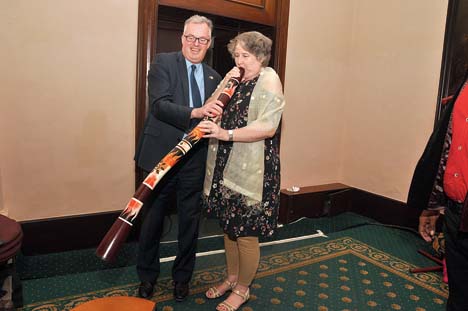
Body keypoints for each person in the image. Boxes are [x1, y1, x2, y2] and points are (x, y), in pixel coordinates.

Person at [134, 15, 222, 301]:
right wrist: (197, 112)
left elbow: (217, 116)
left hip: (194, 160)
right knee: (152, 223)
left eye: (202, 39)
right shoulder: (162, 63)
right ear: (182, 38)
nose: (196, 44)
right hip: (160, 158)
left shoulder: (215, 78)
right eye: (191, 37)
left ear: (209, 43)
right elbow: (160, 106)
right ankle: (147, 278)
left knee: (189, 222)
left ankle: (182, 278)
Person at [197, 31, 285, 311]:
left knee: (246, 232)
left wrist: (226, 133)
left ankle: (243, 288)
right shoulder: (233, 78)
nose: (239, 60)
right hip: (226, 161)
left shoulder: (269, 80)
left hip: (254, 168)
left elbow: (268, 127)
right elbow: (212, 107)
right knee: (229, 227)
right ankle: (232, 277)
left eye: (245, 55)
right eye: (236, 54)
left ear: (260, 57)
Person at [407, 71, 468, 311]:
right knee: (459, 296)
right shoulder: (465, 83)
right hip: (456, 213)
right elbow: (446, 148)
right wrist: (432, 205)